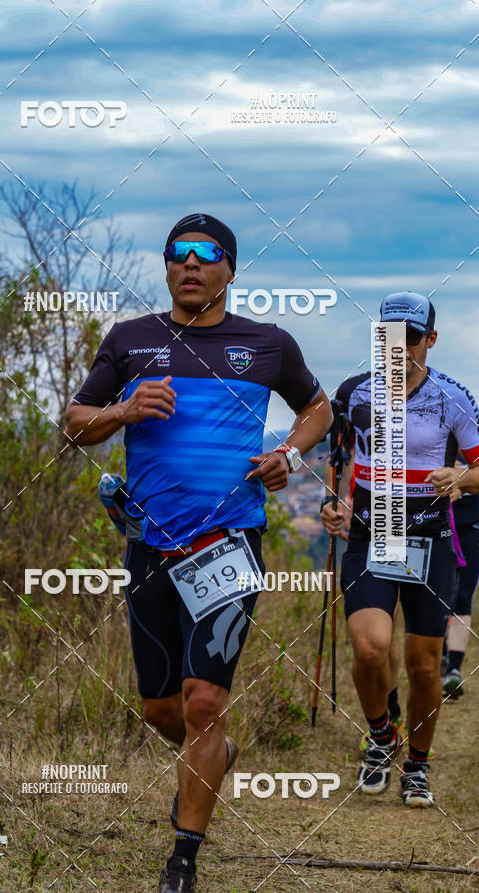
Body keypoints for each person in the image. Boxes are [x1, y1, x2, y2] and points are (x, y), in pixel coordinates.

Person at [65, 213, 332, 892]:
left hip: (229, 544)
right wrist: (120, 413)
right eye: (177, 254)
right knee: (163, 711)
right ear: (165, 267)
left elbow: (319, 409)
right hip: (151, 546)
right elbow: (74, 425)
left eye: (206, 254)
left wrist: (289, 454)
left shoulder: (268, 343)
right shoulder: (130, 341)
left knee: (204, 700)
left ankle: (182, 859)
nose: (191, 264)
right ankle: (212, 756)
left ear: (230, 270)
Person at [321, 291, 479, 807]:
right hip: (372, 531)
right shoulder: (354, 392)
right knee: (369, 648)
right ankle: (382, 735)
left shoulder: (453, 398)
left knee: (423, 665)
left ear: (430, 340)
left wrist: (460, 475)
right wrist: (331, 502)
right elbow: (337, 454)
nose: (399, 347)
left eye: (410, 338)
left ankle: (418, 763)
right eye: (389, 336)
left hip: (431, 537)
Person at [443, 483, 479, 698]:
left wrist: (462, 477)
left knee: (463, 597)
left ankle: (453, 670)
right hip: (436, 523)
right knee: (438, 598)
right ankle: (440, 657)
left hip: (472, 523)